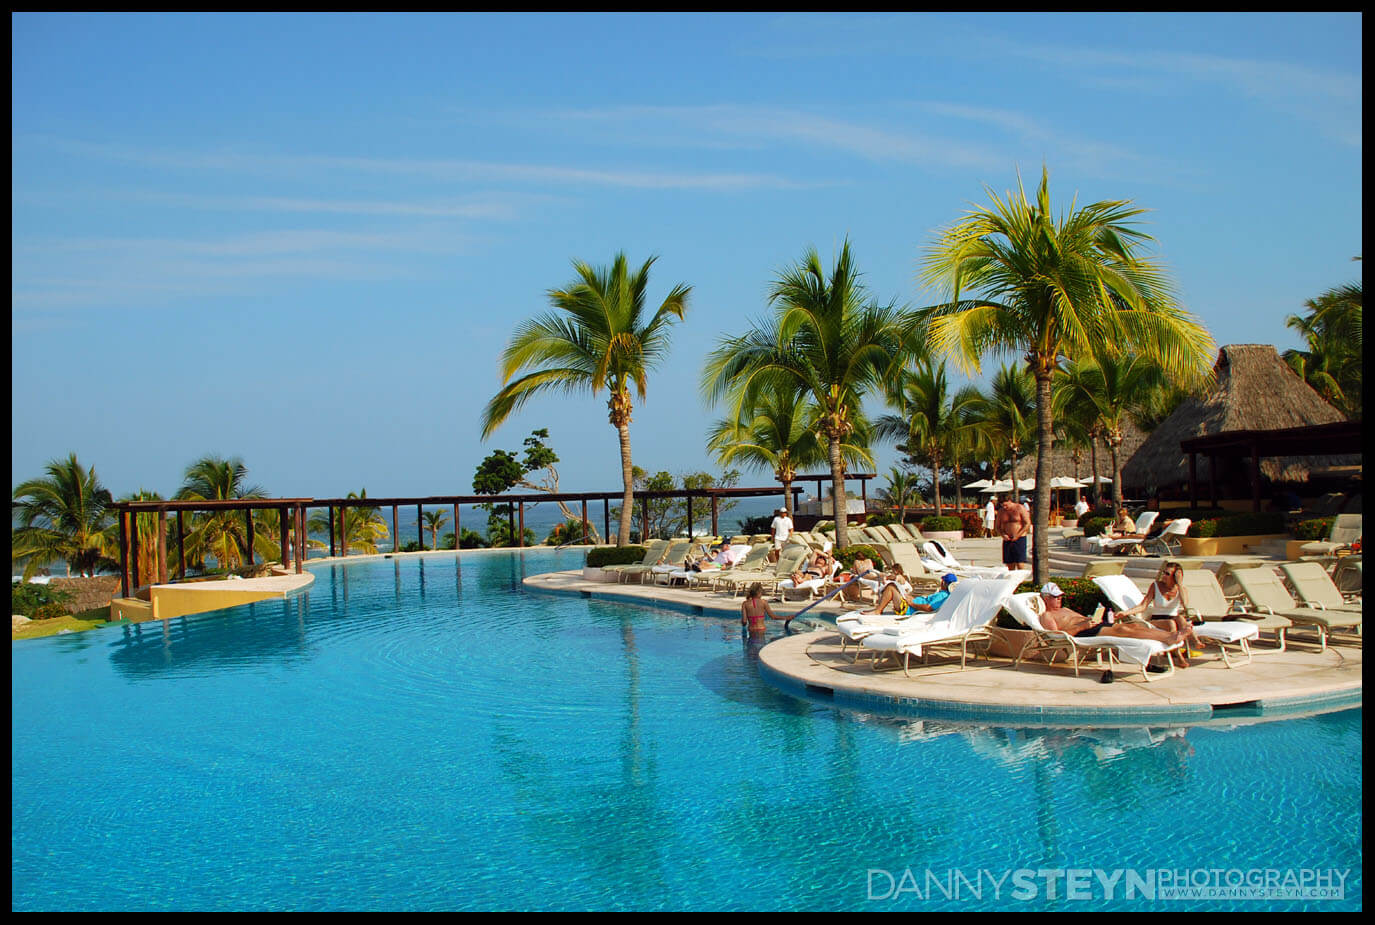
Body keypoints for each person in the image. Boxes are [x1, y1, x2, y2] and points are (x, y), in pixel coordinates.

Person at [1034, 582, 1184, 646]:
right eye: (1056, 597)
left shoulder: (1064, 610)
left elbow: (1080, 619)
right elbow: (1057, 636)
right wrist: (1082, 627)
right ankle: (1169, 637)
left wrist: (1094, 617)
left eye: (1060, 596)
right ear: (1046, 598)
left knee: (1130, 627)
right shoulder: (1047, 616)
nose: (1060, 598)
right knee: (1124, 630)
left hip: (1092, 625)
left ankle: (1167, 636)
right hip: (1083, 632)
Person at [1115, 562, 1205, 663]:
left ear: (1175, 577)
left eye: (1167, 574)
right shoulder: (1156, 586)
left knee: (1180, 619)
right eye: (1163, 572)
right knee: (1172, 623)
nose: (1163, 575)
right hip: (1157, 619)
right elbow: (1143, 605)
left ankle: (1196, 641)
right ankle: (1179, 656)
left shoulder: (1182, 589)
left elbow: (1185, 605)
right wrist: (1126, 613)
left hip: (1174, 618)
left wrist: (1179, 584)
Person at [996, 498, 1031, 571]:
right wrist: (1003, 535)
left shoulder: (1020, 508)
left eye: (1006, 505)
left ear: (1009, 501)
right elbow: (998, 527)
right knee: (1009, 564)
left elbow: (1027, 523)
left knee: (1020, 563)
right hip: (1007, 539)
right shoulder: (1001, 511)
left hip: (1020, 538)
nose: (1005, 507)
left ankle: (1021, 580)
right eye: (1002, 505)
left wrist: (1018, 535)